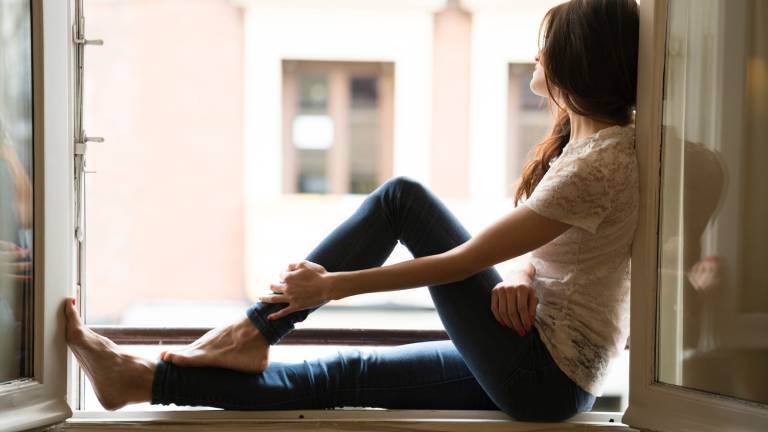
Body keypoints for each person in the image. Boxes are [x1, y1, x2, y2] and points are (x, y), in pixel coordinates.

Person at [64, 0, 639, 421]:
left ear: (576, 61)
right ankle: (140, 379)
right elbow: (568, 246)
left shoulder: (603, 160)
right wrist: (524, 273)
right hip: (543, 365)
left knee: (401, 202)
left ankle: (256, 327)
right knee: (346, 373)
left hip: (541, 372)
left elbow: (463, 261)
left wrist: (331, 286)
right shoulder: (589, 148)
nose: (538, 51)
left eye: (550, 39)